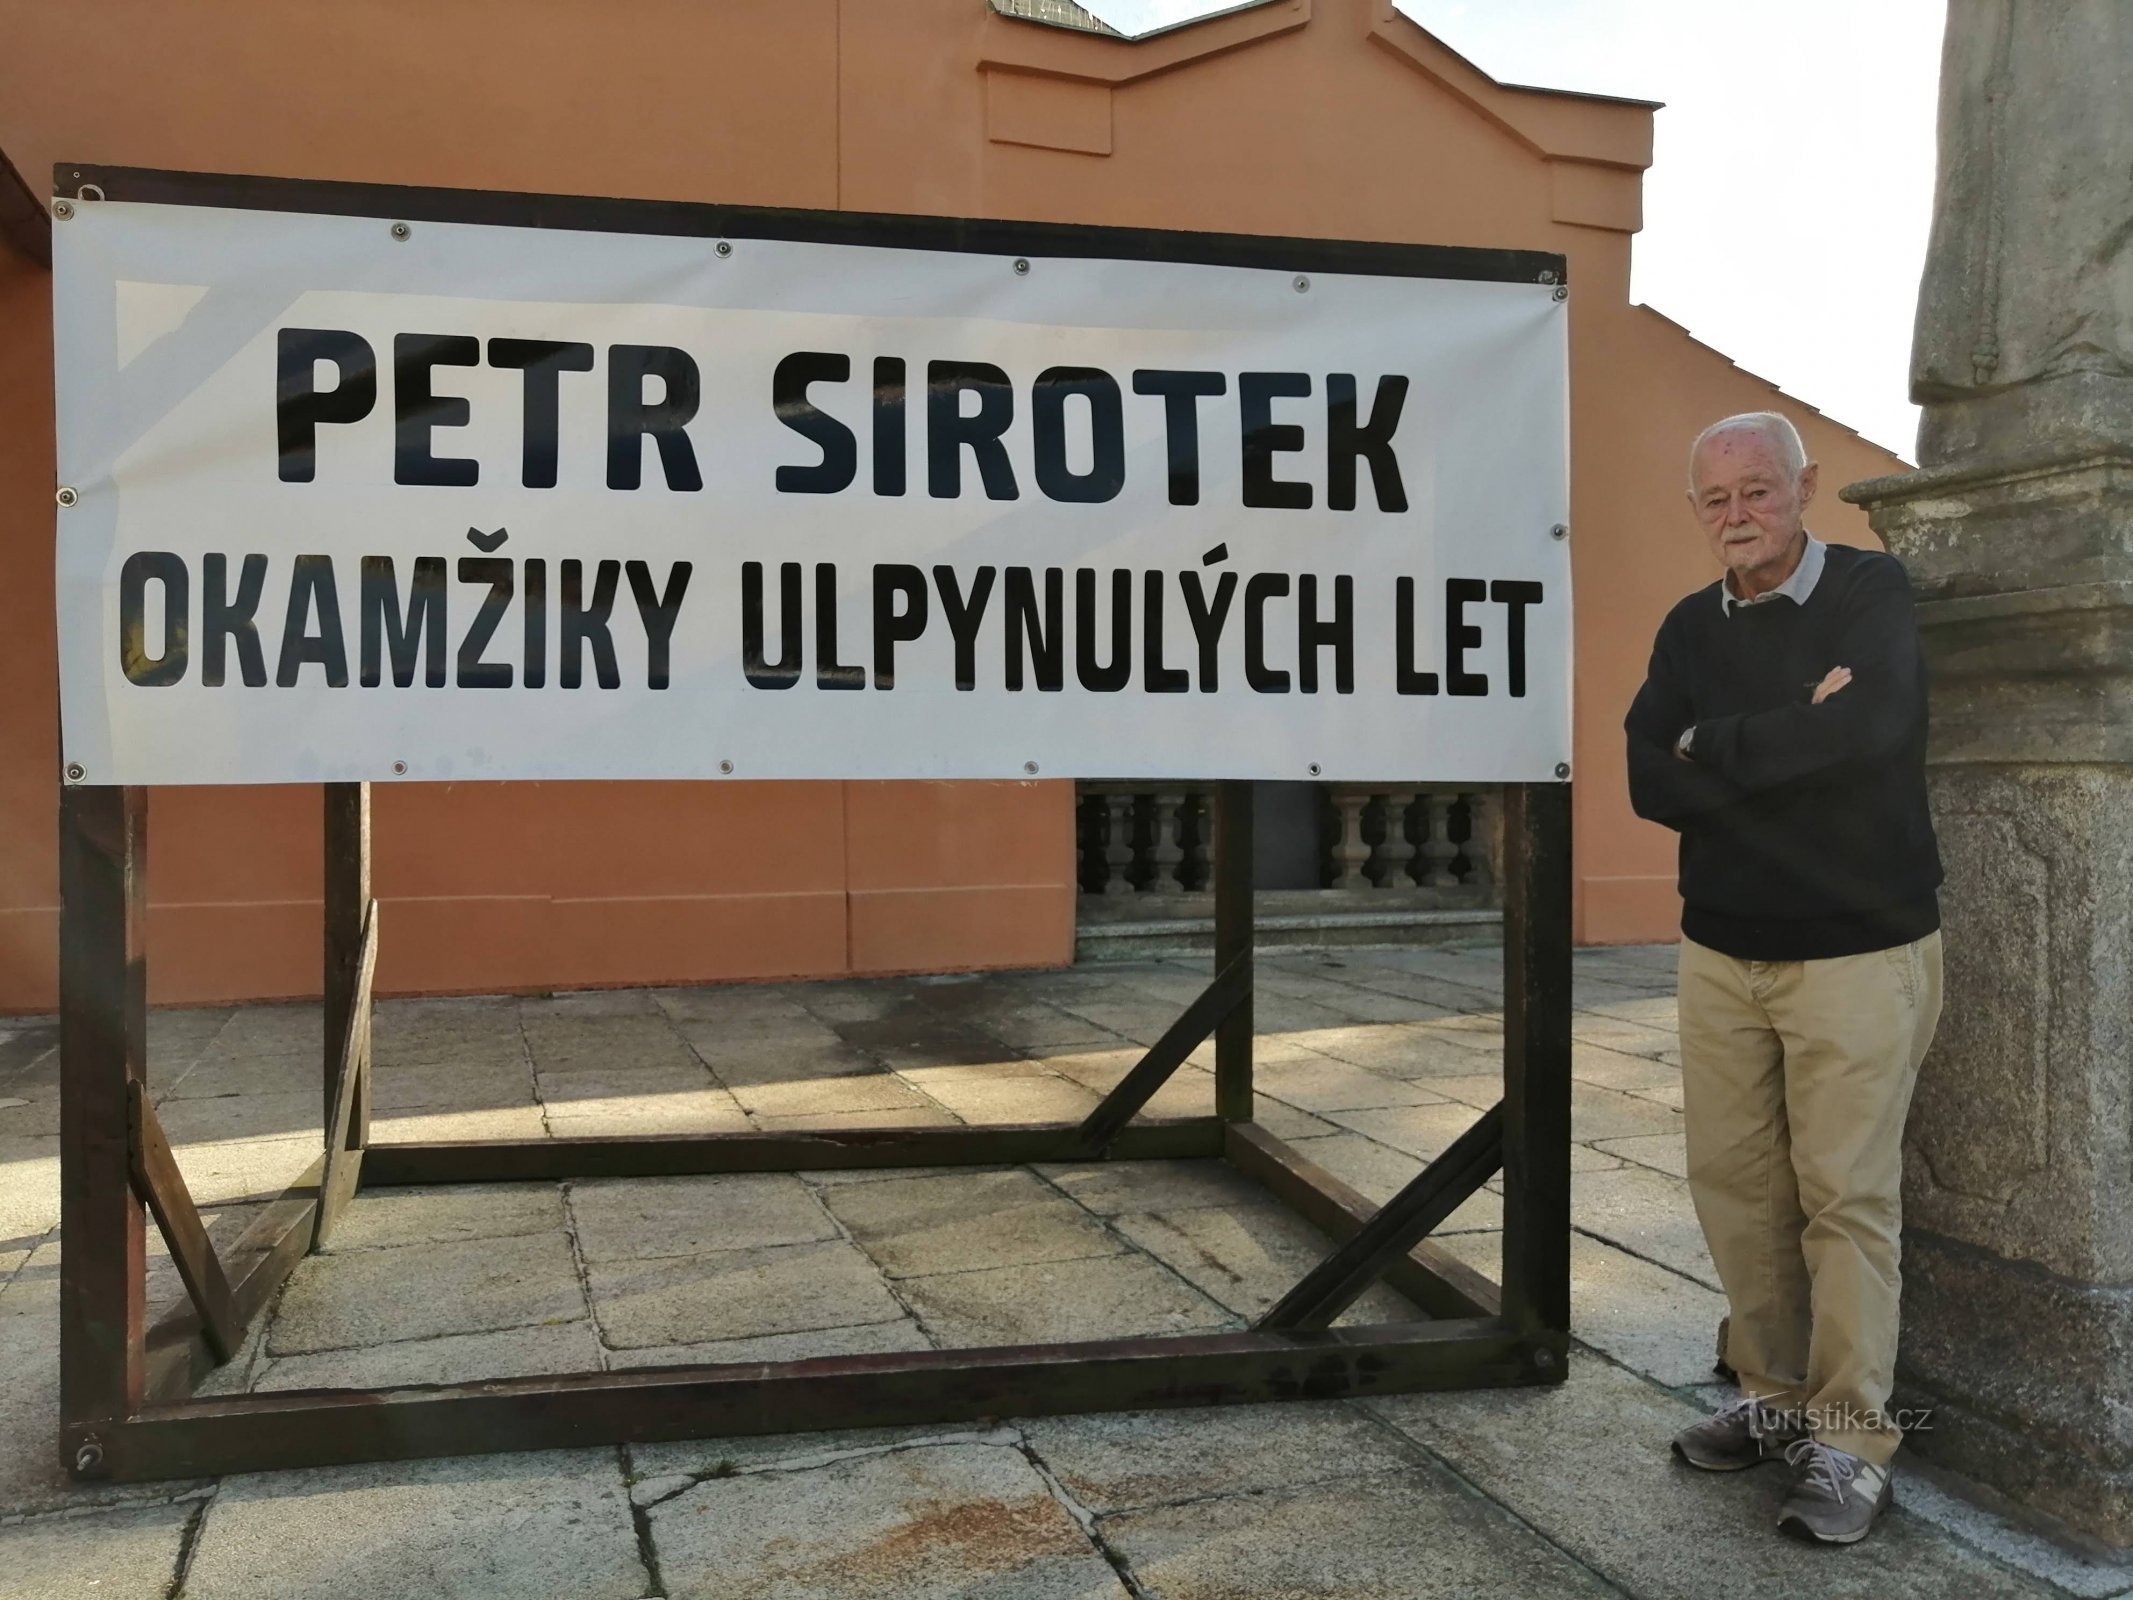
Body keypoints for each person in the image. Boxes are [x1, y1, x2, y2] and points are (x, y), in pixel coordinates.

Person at [1623, 411, 1945, 1546]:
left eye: (1757, 490)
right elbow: (1644, 777)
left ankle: (1851, 1444)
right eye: (1715, 500)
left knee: (1844, 1198)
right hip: (1721, 949)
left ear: (1804, 487)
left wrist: (1712, 744)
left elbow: (1872, 730)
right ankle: (1769, 1396)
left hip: (1856, 948)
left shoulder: (1869, 592)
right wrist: (1787, 734)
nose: (1737, 515)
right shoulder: (1685, 626)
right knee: (1736, 1186)